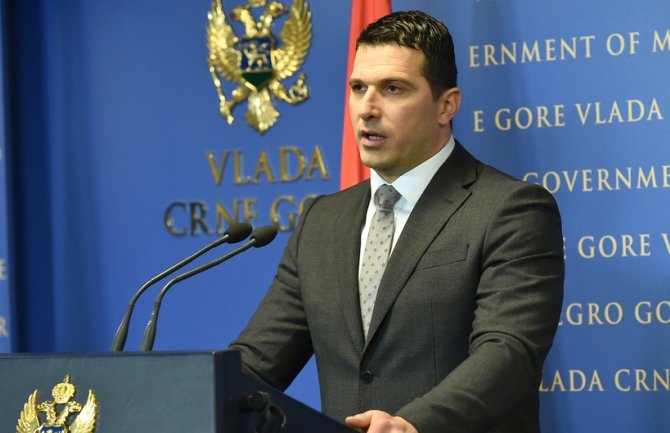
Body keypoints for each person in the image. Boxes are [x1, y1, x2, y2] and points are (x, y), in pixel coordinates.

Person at [230, 10, 564, 433]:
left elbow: (508, 354)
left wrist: (413, 423)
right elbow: (257, 363)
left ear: (447, 105)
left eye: (393, 89)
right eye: (358, 88)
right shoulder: (322, 221)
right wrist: (181, 393)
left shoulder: (510, 210)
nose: (367, 109)